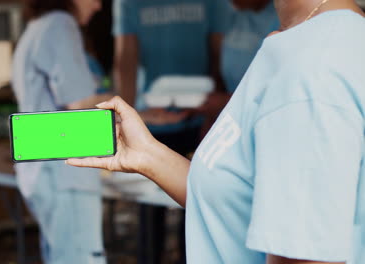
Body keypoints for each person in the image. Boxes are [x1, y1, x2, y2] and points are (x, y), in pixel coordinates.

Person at [68, 0, 365, 263]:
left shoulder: (311, 71)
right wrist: (148, 155)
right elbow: (238, 205)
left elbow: (305, 256)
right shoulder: (306, 43)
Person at [112, 1, 232, 262]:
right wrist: (127, 115)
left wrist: (211, 111)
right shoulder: (129, 3)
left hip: (195, 120)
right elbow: (126, 59)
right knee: (150, 211)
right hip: (150, 123)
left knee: (193, 206)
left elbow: (218, 53)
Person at [12, 0, 111, 263]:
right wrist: (129, 104)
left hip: (43, 169)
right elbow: (79, 104)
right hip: (64, 172)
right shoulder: (60, 25)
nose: (99, 6)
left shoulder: (36, 28)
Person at [200, 0, 280, 136]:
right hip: (229, 120)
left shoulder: (280, 20)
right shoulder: (235, 16)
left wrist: (225, 102)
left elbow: (278, 90)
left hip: (260, 122)